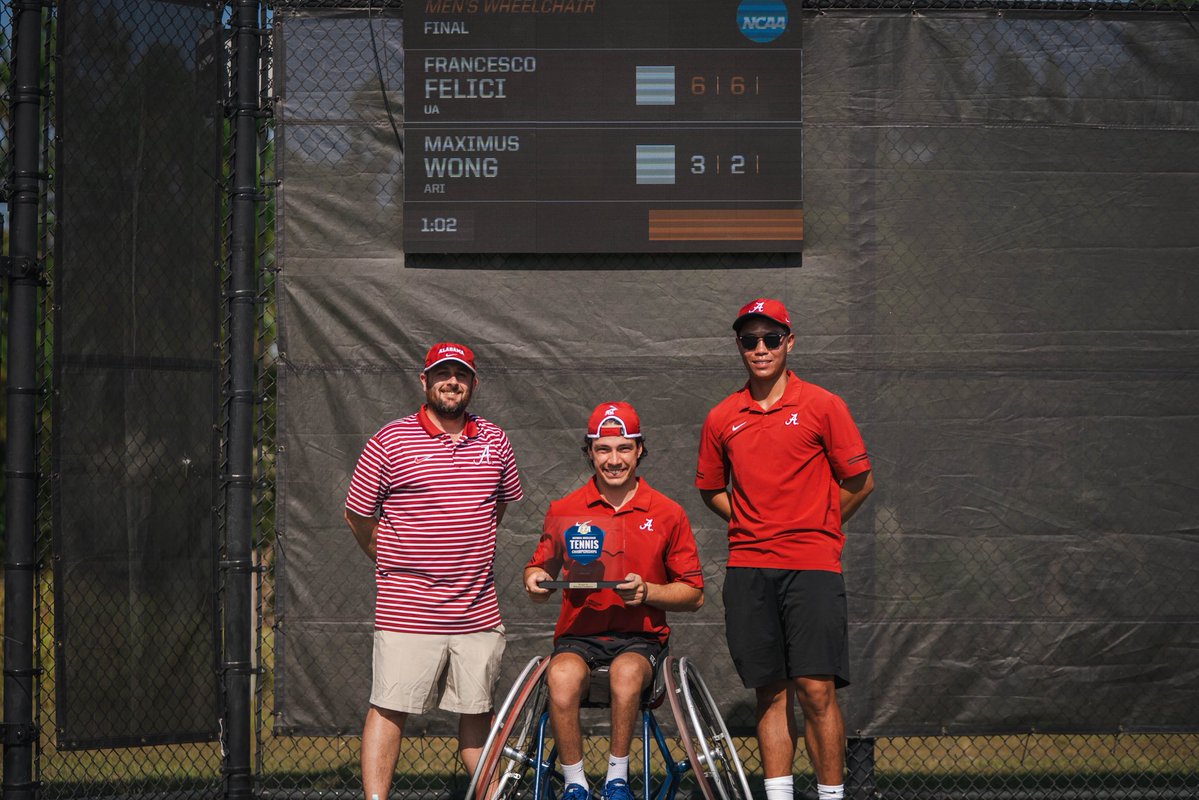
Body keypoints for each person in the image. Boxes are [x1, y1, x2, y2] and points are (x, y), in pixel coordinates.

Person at [695, 299, 874, 800]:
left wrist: (816, 524)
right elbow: (710, 488)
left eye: (770, 339)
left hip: (813, 568)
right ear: (739, 347)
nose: (760, 349)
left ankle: (831, 795)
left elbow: (859, 481)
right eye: (749, 340)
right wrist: (755, 522)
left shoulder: (823, 405)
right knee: (770, 693)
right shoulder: (722, 416)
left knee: (817, 692)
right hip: (749, 569)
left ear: (789, 343)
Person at [344, 342, 523, 800]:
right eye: (442, 373)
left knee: (478, 716)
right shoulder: (390, 440)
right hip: (408, 612)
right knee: (388, 711)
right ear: (423, 381)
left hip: (477, 613)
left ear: (473, 384)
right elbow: (359, 516)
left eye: (461, 375)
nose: (452, 382)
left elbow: (496, 507)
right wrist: (396, 561)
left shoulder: (496, 440)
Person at [525, 402, 705, 800]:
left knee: (626, 674)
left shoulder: (668, 513)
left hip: (640, 639)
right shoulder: (564, 510)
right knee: (560, 675)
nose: (614, 459)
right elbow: (538, 569)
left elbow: (693, 593)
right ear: (589, 452)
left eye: (623, 448)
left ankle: (617, 780)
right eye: (603, 449)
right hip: (579, 636)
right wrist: (535, 580)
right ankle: (575, 785)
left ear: (640, 450)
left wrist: (648, 592)